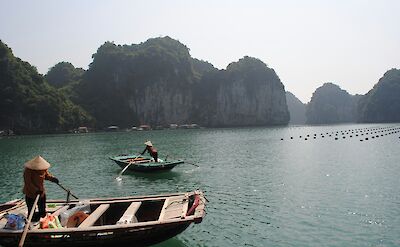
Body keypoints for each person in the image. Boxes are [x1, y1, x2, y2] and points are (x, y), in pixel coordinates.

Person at [23, 156, 59, 221]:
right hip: (30, 194)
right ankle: (31, 223)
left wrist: (53, 178)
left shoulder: (43, 169)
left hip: (41, 192)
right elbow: (28, 183)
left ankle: (43, 221)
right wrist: (36, 190)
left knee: (42, 210)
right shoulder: (28, 171)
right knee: (31, 211)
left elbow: (47, 175)